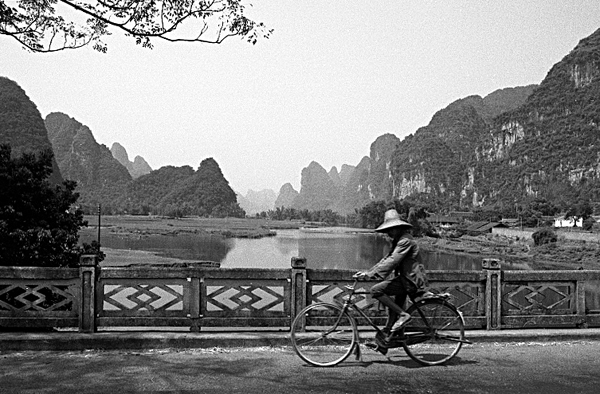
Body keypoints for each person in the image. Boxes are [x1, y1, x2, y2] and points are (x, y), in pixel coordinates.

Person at [354, 208, 429, 340]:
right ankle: (388, 340)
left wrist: (371, 275)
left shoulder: (406, 240)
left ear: (399, 227)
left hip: (411, 280)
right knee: (393, 311)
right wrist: (368, 272)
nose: (389, 232)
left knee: (376, 290)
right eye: (388, 229)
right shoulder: (398, 241)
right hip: (405, 279)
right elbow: (386, 259)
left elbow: (393, 260)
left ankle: (404, 316)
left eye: (392, 229)